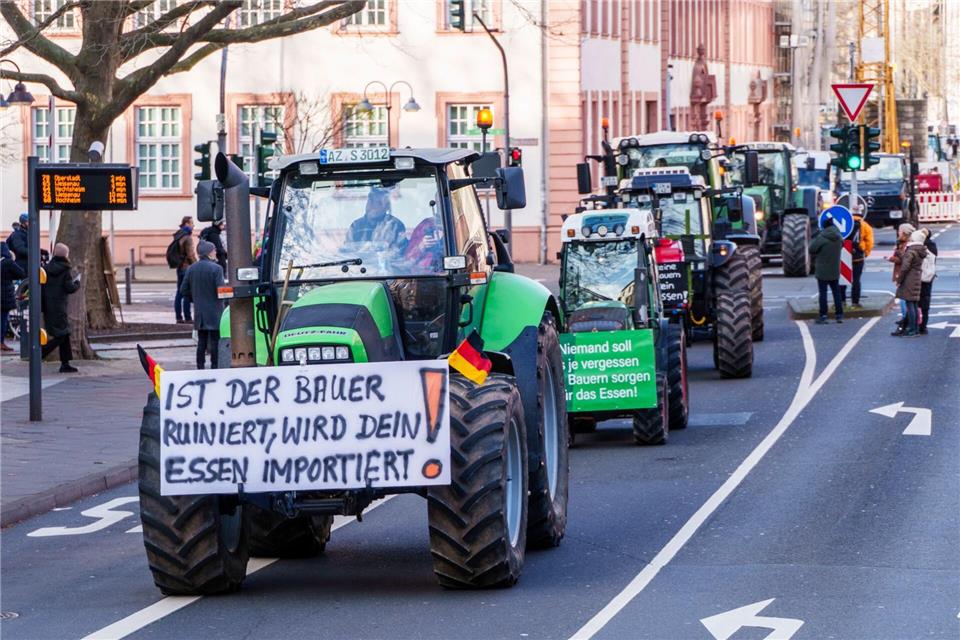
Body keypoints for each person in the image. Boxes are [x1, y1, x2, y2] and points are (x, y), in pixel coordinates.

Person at [180, 240, 224, 369]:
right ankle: (214, 366)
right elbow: (221, 290)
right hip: (215, 311)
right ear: (209, 253)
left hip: (200, 311)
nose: (215, 252)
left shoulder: (191, 268)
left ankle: (200, 366)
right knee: (215, 341)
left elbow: (183, 290)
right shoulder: (217, 269)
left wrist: (195, 299)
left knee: (202, 341)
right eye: (214, 250)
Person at [41, 243, 80, 372]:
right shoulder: (65, 270)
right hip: (59, 306)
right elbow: (69, 288)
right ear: (66, 255)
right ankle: (42, 352)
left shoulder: (46, 268)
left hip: (48, 306)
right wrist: (77, 283)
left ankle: (65, 363)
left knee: (64, 334)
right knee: (62, 334)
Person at [893, 230, 928, 337]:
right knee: (914, 304)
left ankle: (912, 329)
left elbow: (905, 267)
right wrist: (900, 253)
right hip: (916, 278)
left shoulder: (911, 251)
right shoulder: (919, 250)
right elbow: (909, 261)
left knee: (910, 305)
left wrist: (899, 280)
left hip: (909, 279)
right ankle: (915, 329)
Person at [810, 217, 844, 324]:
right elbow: (842, 246)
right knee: (836, 293)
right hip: (835, 269)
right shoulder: (839, 237)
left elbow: (811, 249)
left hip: (822, 270)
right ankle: (839, 315)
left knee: (823, 293)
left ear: (824, 226)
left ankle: (823, 315)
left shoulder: (822, 237)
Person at [887, 222, 915, 335]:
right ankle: (907, 323)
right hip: (904, 275)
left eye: (899, 230)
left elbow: (904, 261)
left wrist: (892, 257)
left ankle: (905, 324)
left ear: (904, 232)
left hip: (904, 275)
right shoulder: (902, 243)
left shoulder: (906, 245)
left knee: (904, 301)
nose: (898, 232)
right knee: (906, 301)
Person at [171, 216, 198, 324]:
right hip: (187, 267)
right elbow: (190, 255)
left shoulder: (178, 235)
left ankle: (178, 317)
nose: (193, 225)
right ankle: (188, 317)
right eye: (192, 223)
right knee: (186, 293)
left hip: (179, 266)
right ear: (186, 223)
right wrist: (197, 265)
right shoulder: (187, 237)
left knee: (179, 293)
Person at [847, 209, 874, 309]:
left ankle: (841, 301)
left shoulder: (846, 223)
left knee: (843, 280)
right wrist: (865, 253)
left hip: (845, 255)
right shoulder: (865, 225)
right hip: (858, 257)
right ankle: (855, 302)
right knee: (856, 280)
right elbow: (869, 242)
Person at [1, 241, 25, 352]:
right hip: (4, 296)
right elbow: (21, 273)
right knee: (3, 319)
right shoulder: (8, 262)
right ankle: (1, 342)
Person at [918, 227, 938, 335]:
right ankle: (923, 325)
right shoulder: (932, 245)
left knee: (918, 301)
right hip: (929, 276)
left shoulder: (922, 246)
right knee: (925, 300)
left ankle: (919, 325)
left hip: (921, 276)